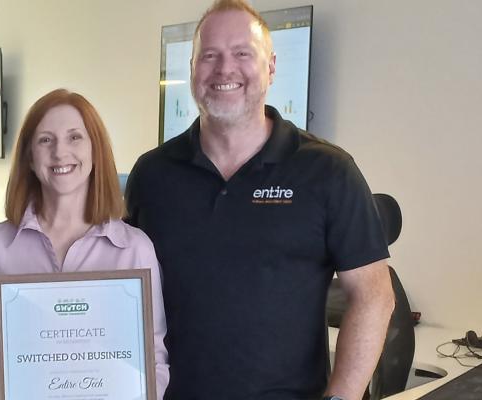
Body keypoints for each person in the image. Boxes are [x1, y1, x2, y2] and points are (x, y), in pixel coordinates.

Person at [125, 1, 396, 399]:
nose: (224, 70)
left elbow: (374, 296)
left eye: (242, 54)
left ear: (270, 67)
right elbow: (121, 287)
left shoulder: (327, 171)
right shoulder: (152, 175)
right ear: (192, 70)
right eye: (209, 56)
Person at [0, 89, 170, 400]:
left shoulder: (135, 250)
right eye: (45, 140)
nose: (60, 153)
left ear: (96, 150)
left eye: (75, 138)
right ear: (29, 156)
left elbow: (153, 360)